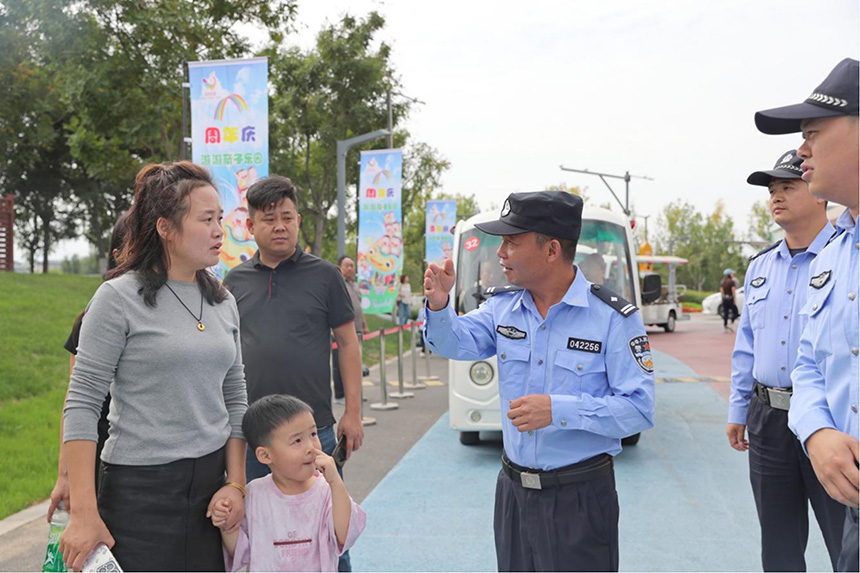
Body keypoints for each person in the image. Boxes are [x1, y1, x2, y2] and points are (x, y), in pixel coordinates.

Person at [422, 191, 655, 572]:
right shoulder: (502, 307)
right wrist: (439, 304)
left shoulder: (612, 318)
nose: (501, 252)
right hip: (514, 494)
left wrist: (559, 410)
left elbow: (639, 410)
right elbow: (454, 343)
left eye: (513, 242)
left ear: (551, 250)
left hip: (579, 499)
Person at [59, 161, 248, 571]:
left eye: (220, 218)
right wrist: (83, 512)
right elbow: (83, 403)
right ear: (165, 227)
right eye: (206, 219)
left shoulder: (224, 302)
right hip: (138, 496)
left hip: (210, 496)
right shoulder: (116, 299)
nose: (220, 231)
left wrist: (236, 482)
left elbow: (236, 398)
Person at [222, 175, 364, 572]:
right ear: (250, 226)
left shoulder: (325, 276)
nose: (279, 226)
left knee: (328, 530)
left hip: (312, 432)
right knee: (257, 529)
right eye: (269, 219)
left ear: (299, 220)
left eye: (287, 217)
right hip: (253, 436)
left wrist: (353, 412)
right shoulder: (233, 283)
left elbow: (349, 344)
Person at [756, 57, 859, 572]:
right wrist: (817, 431)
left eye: (813, 132)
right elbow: (809, 361)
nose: (802, 150)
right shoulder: (837, 253)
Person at [727, 149, 843, 571]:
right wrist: (738, 409)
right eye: (772, 190)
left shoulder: (846, 256)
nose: (776, 196)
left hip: (831, 419)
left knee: (846, 539)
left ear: (817, 193)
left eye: (787, 187)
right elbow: (747, 343)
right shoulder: (760, 267)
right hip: (768, 419)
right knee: (777, 543)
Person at [210, 395, 366, 572]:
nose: (311, 447)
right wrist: (227, 523)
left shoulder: (325, 490)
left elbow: (344, 535)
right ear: (265, 455)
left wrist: (336, 482)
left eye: (313, 434)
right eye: (297, 441)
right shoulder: (254, 494)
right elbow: (240, 551)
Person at [48, 212, 129, 523]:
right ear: (117, 255)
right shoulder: (90, 319)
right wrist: (65, 475)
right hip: (98, 456)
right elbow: (75, 402)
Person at [333, 256, 369, 405]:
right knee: (339, 364)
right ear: (340, 267)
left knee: (355, 363)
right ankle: (340, 395)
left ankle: (354, 395)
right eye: (347, 265)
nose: (350, 268)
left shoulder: (354, 285)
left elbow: (359, 307)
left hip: (357, 331)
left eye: (352, 266)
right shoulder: (337, 284)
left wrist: (364, 325)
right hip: (340, 333)